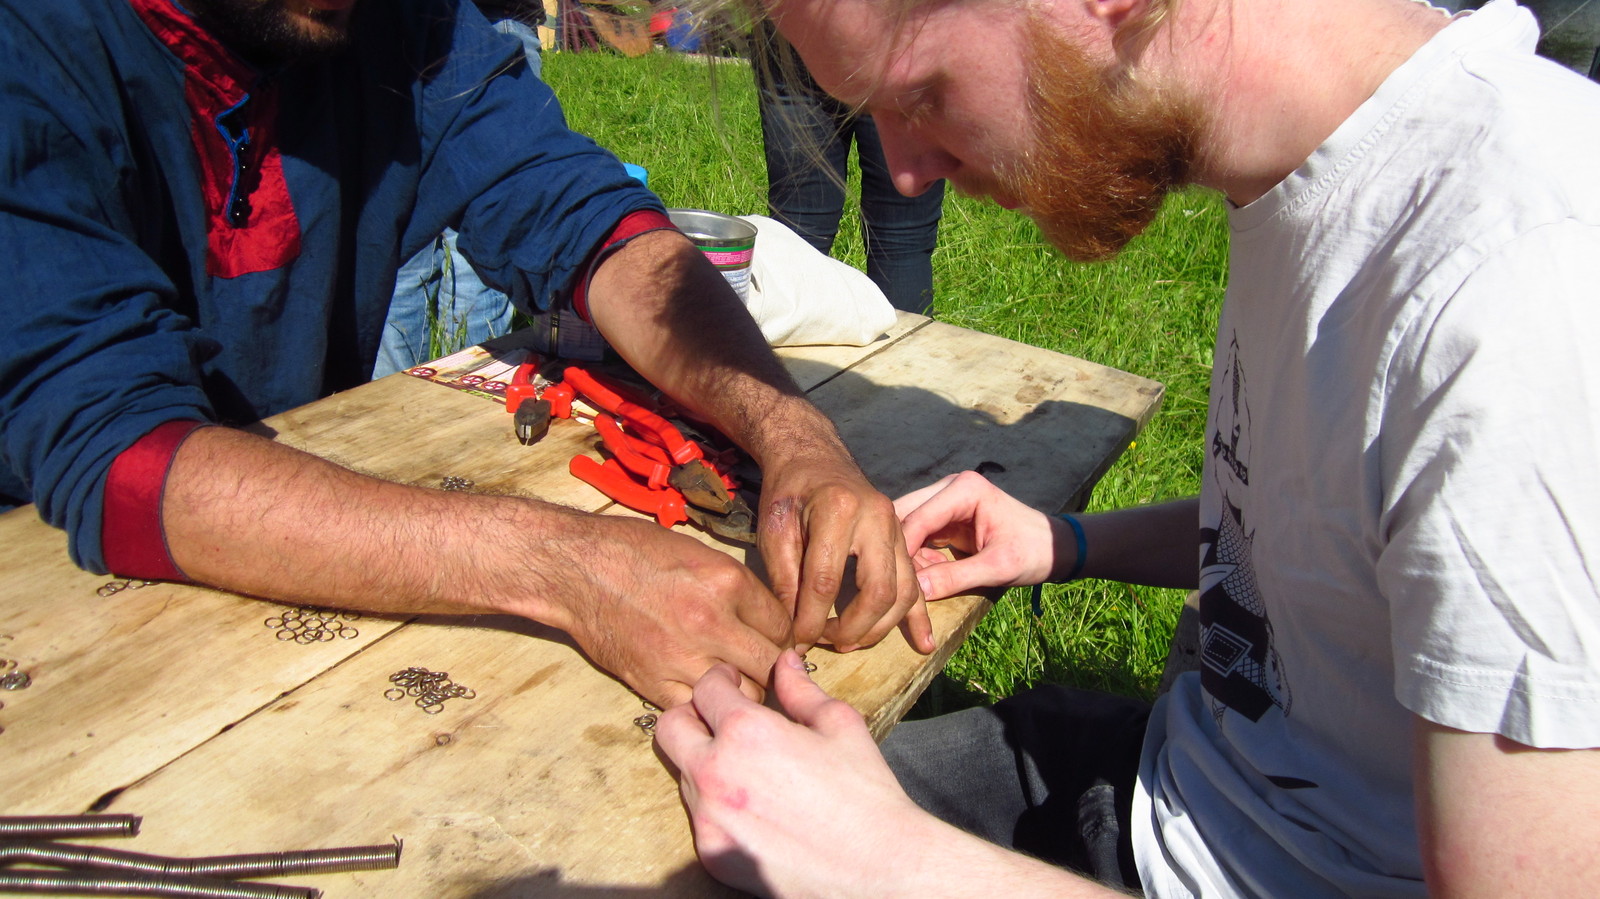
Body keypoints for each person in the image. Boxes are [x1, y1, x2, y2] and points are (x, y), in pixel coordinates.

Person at [656, 0, 1600, 893]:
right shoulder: (1329, 171)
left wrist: (889, 863)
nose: (902, 173)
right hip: (1175, 787)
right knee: (687, 811)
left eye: (922, 94)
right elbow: (1357, 540)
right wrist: (1067, 543)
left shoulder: (1514, 288)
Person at [0, 0, 934, 710]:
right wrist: (565, 567)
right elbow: (116, 453)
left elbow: (592, 224)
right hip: (52, 638)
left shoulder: (392, 20)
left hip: (286, 598)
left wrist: (795, 433)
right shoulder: (33, 46)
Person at [375, 0, 547, 378]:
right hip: (413, 27)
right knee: (410, 244)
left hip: (475, 26)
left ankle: (454, 391)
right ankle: (418, 398)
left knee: (471, 244)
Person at [753, 22, 945, 315]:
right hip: (905, 23)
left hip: (798, 24)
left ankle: (790, 358)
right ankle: (900, 360)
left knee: (798, 231)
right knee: (902, 237)